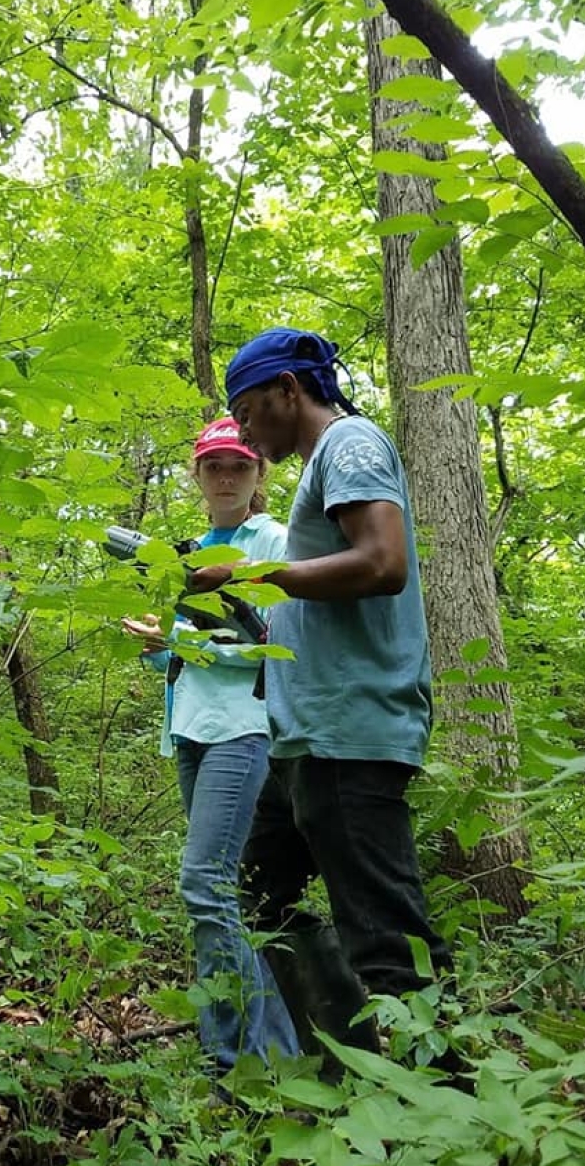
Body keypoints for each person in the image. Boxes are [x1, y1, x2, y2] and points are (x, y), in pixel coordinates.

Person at [189, 328, 453, 1061]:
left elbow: (383, 562)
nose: (241, 430)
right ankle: (344, 1062)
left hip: (353, 727)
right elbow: (312, 601)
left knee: (386, 931)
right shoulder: (319, 469)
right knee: (258, 890)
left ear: (288, 391)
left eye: (246, 411)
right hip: (305, 736)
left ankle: (442, 1099)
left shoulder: (351, 446)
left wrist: (248, 575)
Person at [122, 416, 299, 1075]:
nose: (226, 477)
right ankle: (230, 1047)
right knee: (218, 891)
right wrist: (157, 647)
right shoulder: (188, 549)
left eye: (239, 466)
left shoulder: (273, 541)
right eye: (214, 466)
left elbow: (270, 651)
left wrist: (182, 645)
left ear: (259, 475)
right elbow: (183, 658)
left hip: (243, 730)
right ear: (197, 475)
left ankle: (256, 1055)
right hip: (193, 731)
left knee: (205, 884)